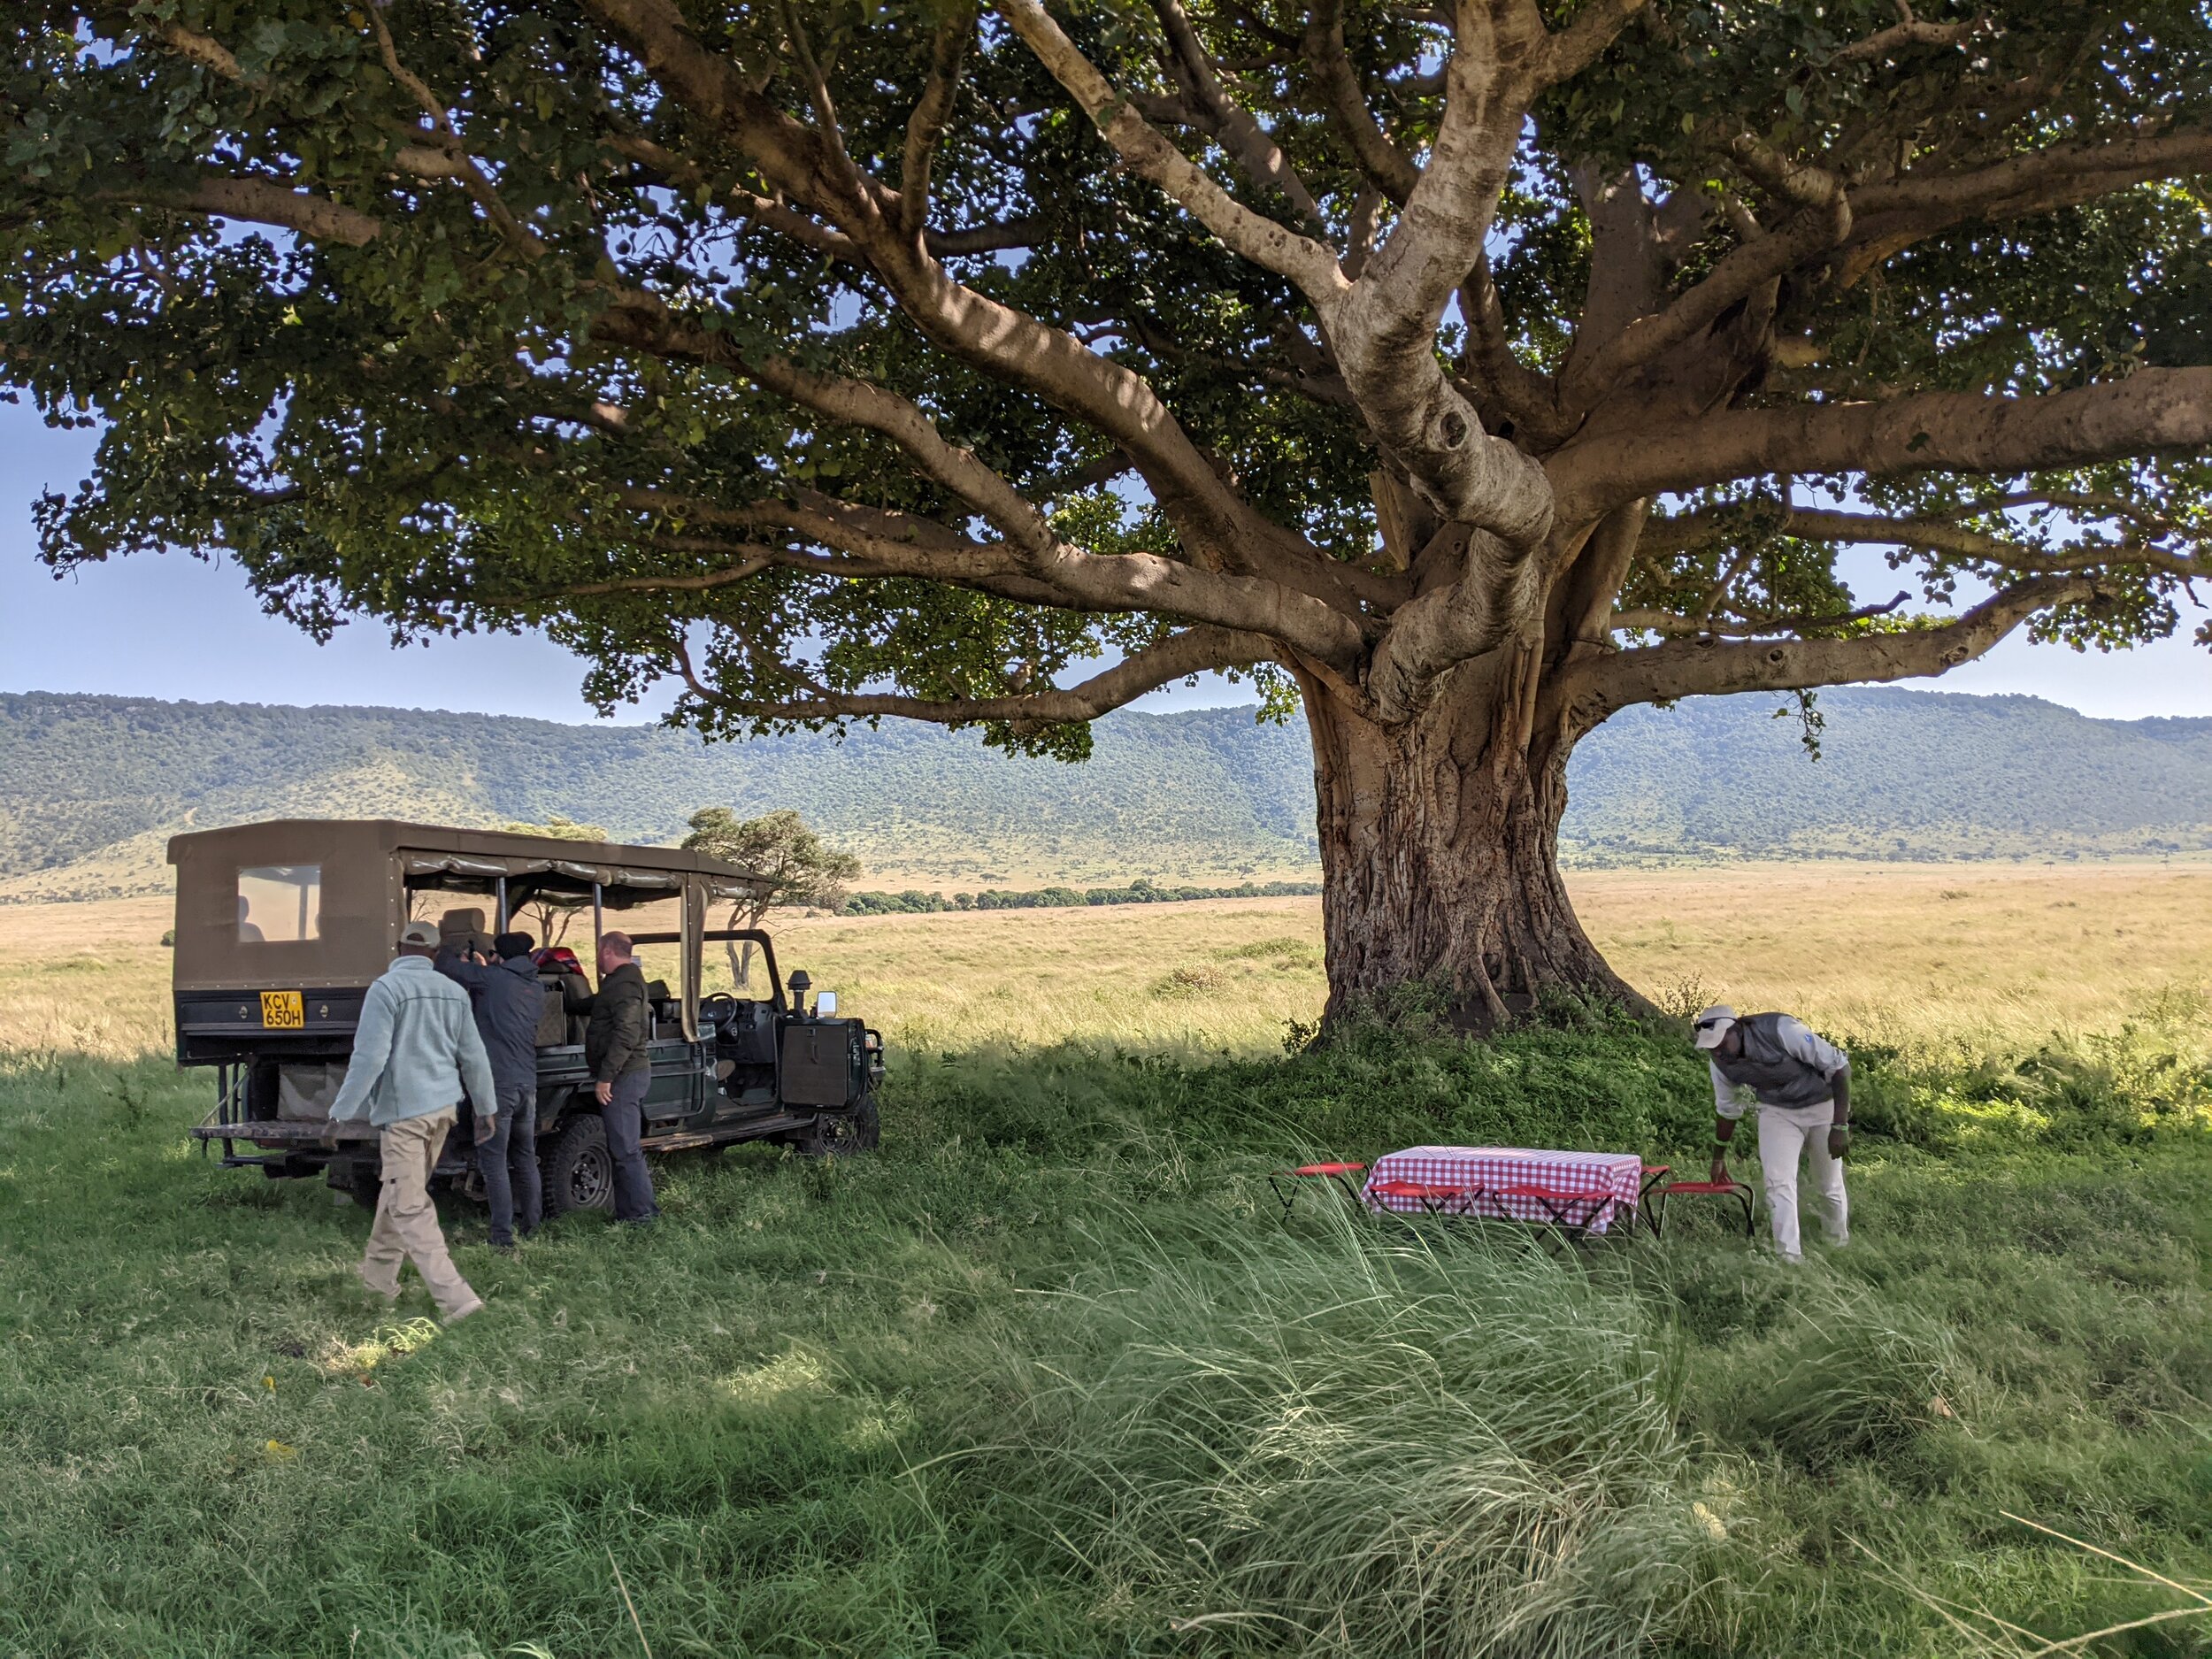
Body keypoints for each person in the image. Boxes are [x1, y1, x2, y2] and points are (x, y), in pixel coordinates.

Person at [328, 921, 497, 1322]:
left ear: (398, 947)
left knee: (408, 1207)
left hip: (404, 1115)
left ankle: (458, 1302)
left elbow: (370, 1057)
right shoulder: (455, 992)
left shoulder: (385, 990)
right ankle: (377, 1287)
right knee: (397, 1196)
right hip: (442, 1111)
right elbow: (473, 1056)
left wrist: (340, 1113)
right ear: (436, 954)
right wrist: (486, 1109)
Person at [1696, 1004, 1851, 1263]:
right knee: (1778, 1183)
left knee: (1829, 1185)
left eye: (1722, 1043)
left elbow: (1839, 1067)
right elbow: (1728, 1110)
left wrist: (1840, 1126)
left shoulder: (1782, 1030)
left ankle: (1837, 1247)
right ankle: (1789, 1258)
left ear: (1738, 1029)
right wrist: (1718, 1158)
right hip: (1777, 1111)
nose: (1718, 1051)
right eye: (1712, 1047)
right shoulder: (1720, 1063)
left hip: (1823, 1106)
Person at [436, 929, 545, 1248]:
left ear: (501, 957)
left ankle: (502, 1237)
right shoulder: (534, 986)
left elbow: (447, 966)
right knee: (525, 1156)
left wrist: (450, 949)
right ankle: (532, 1226)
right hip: (527, 1083)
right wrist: (486, 966)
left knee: (494, 1160)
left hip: (497, 1085)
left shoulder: (492, 979)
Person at [584, 931, 658, 1223]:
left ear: (606, 951)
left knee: (627, 1150)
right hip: (625, 1074)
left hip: (624, 1075)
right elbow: (601, 1005)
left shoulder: (625, 983)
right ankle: (629, 1214)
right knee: (621, 1148)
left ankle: (643, 1215)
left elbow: (627, 1033)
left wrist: (606, 1077)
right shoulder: (619, 982)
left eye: (598, 951)